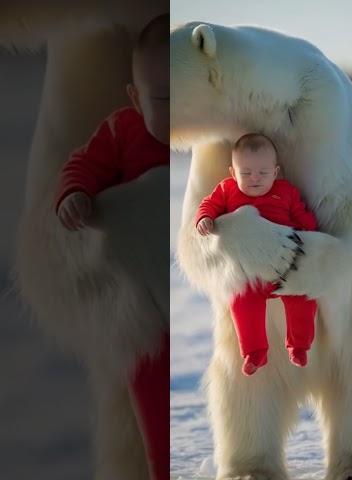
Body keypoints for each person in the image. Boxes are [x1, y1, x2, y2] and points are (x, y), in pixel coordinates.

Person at [53, 14, 169, 480]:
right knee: (155, 411)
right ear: (136, 99)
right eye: (162, 100)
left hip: (189, 294)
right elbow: (80, 166)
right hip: (141, 311)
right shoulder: (122, 131)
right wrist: (74, 194)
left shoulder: (203, 141)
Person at [196, 133, 318, 376]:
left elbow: (303, 216)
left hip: (284, 269)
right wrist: (205, 218)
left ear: (275, 172)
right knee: (241, 303)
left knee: (303, 297)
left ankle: (299, 345)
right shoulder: (227, 190)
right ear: (233, 173)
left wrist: (311, 234)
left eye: (263, 173)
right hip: (249, 274)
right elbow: (208, 204)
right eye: (246, 173)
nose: (254, 178)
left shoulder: (286, 192)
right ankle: (254, 352)